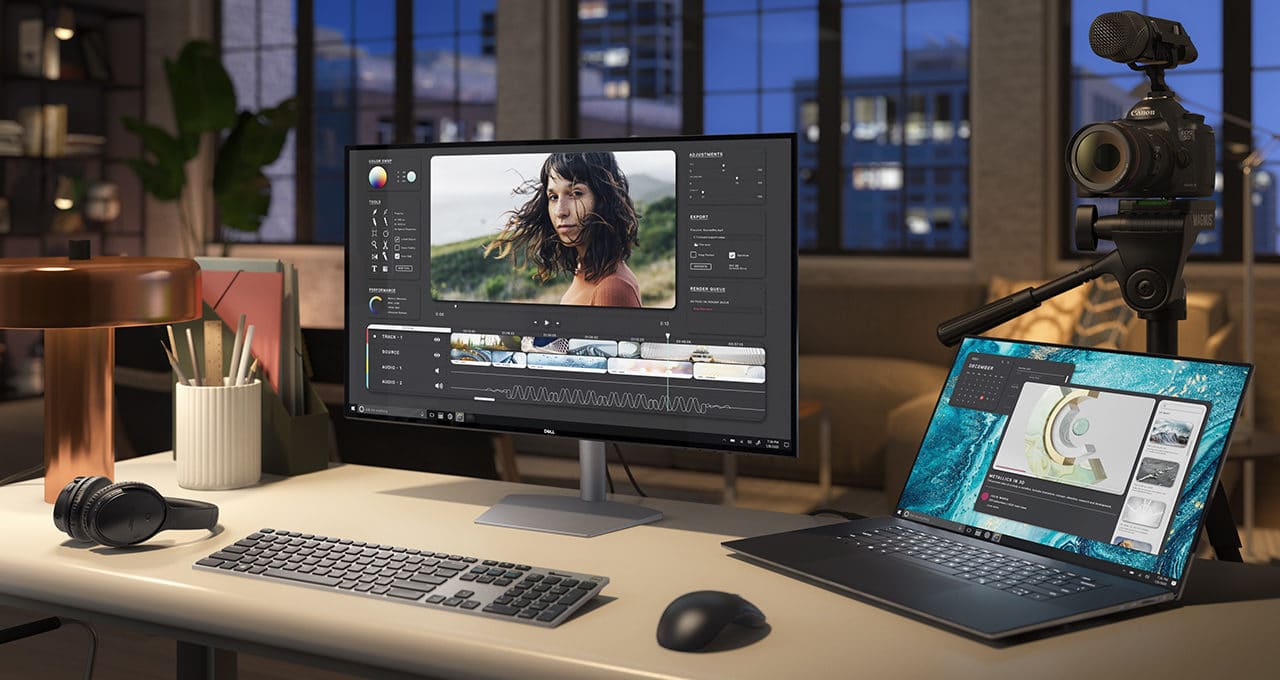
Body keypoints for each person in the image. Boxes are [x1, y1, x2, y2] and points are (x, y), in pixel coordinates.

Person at [485, 152, 642, 307]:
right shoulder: (585, 269)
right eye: (553, 197)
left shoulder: (610, 288)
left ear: (603, 199)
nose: (560, 211)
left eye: (576, 193)